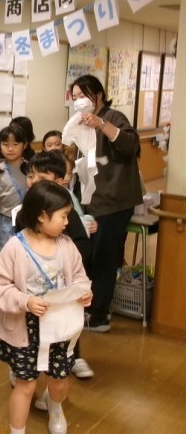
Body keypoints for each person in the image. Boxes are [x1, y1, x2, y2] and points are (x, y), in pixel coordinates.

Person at [0, 181, 92, 434]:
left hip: (58, 329)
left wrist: (84, 292)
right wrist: (24, 301)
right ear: (42, 216)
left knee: (59, 383)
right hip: (26, 330)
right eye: (63, 215)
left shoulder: (67, 246)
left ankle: (54, 406)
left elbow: (80, 278)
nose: (67, 221)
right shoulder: (15, 247)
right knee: (25, 384)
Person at [69, 75, 143, 332]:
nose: (78, 101)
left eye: (83, 96)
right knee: (87, 256)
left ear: (98, 95)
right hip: (90, 203)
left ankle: (99, 316)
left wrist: (102, 124)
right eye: (75, 97)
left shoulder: (113, 117)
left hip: (114, 202)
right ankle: (90, 307)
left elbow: (130, 144)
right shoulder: (80, 122)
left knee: (105, 257)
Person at [25, 151, 95, 381]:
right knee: (34, 324)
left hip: (61, 280)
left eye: (41, 176)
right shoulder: (26, 208)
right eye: (31, 175)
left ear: (58, 181)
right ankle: (27, 365)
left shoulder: (65, 211)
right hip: (33, 283)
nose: (33, 181)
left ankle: (73, 355)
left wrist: (72, 275)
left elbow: (81, 244)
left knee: (65, 318)